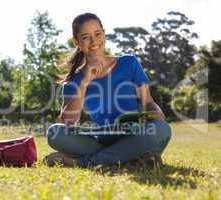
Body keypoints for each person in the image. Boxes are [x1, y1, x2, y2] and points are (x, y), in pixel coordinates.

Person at [43, 13, 171, 168]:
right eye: (86, 37)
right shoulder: (73, 81)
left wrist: (156, 113)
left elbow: (148, 102)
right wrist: (84, 83)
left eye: (98, 34)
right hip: (101, 141)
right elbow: (68, 122)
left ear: (104, 33)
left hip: (135, 136)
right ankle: (132, 159)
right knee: (54, 133)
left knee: (162, 129)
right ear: (77, 41)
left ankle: (85, 162)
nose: (94, 41)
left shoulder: (129, 63)